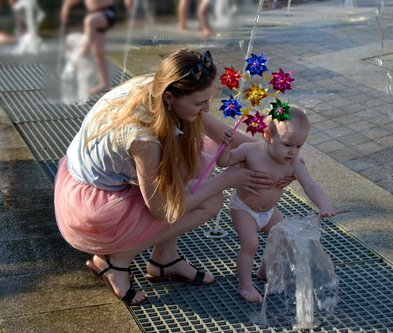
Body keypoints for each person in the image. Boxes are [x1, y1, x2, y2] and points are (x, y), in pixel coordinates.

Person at [53, 49, 282, 305]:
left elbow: (221, 132)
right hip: (95, 202)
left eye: (209, 99)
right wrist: (225, 180)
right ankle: (116, 261)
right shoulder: (144, 139)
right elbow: (162, 209)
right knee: (211, 199)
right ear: (171, 98)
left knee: (189, 159)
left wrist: (273, 157)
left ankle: (164, 259)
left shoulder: (163, 86)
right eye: (199, 103)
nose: (207, 109)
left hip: (96, 170)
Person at [216, 106, 338, 303]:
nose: (293, 152)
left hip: (270, 211)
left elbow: (311, 185)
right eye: (288, 145)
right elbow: (223, 162)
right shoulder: (251, 151)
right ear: (267, 135)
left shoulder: (294, 163)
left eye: (299, 146)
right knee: (251, 244)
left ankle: (264, 270)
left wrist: (324, 205)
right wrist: (226, 146)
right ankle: (245, 285)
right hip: (244, 208)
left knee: (282, 237)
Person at [60, 0, 132, 95]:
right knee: (97, 51)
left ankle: (83, 53)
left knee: (89, 21)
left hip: (107, 13)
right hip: (95, 14)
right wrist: (66, 7)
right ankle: (105, 83)